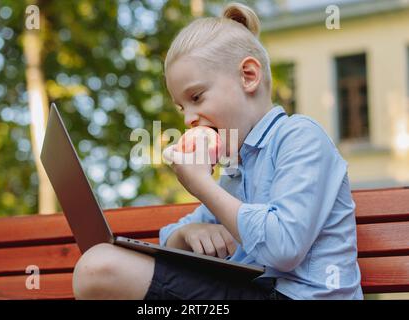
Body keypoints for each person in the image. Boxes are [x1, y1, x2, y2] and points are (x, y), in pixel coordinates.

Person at [72, 2, 363, 300]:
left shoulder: (300, 137)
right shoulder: (236, 168)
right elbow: (173, 235)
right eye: (182, 107)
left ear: (249, 76)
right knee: (98, 267)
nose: (188, 119)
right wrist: (187, 234)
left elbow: (283, 248)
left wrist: (201, 185)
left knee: (101, 269)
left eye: (196, 97)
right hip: (254, 293)